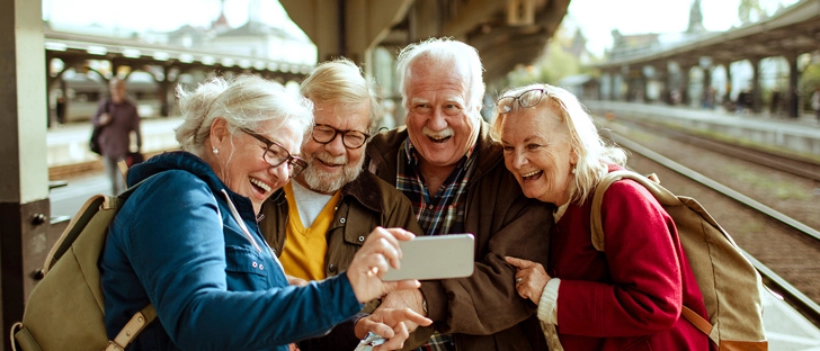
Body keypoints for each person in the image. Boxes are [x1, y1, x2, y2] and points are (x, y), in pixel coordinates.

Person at [99, 74, 427, 351]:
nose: (283, 174)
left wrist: (357, 327)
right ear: (220, 133)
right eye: (272, 151)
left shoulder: (228, 207)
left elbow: (269, 316)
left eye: (290, 161)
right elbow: (197, 319)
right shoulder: (179, 195)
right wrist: (346, 290)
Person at [365, 37, 553, 350]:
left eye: (451, 106)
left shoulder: (514, 169)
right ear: (404, 104)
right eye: (421, 106)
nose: (436, 123)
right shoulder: (373, 160)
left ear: (478, 104)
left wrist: (423, 299)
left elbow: (510, 280)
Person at [494, 83, 713, 350]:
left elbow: (658, 304)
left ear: (574, 148)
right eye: (508, 147)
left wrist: (550, 293)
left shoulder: (621, 198)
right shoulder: (554, 201)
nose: (517, 162)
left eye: (534, 145)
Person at [260, 59, 429, 350]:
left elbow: (416, 294)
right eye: (323, 130)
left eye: (352, 136)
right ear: (298, 123)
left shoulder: (388, 207)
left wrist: (390, 332)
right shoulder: (258, 187)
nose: (336, 149)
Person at [91, 77, 142, 195]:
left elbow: (137, 127)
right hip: (106, 149)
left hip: (122, 151)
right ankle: (114, 210)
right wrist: (101, 121)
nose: (116, 90)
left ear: (124, 88)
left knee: (122, 182)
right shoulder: (104, 105)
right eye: (114, 87)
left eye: (119, 87)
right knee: (112, 183)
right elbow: (94, 121)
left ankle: (122, 208)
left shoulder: (130, 107)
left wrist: (139, 147)